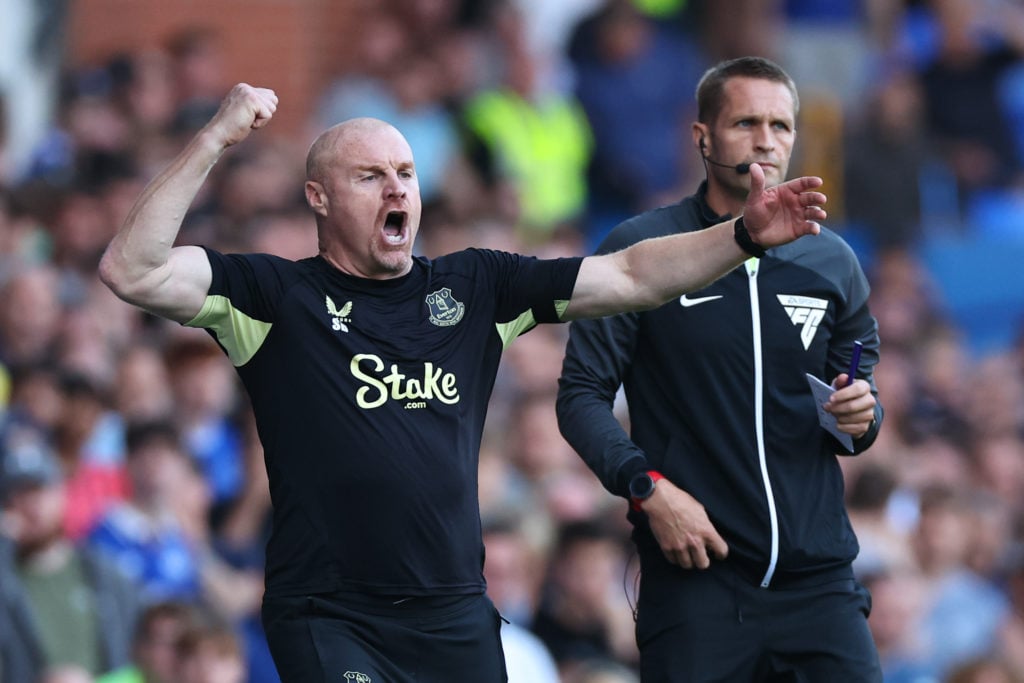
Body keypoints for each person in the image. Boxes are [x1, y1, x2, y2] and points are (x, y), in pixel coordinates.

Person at [97, 81, 826, 682]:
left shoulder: (477, 285)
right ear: (318, 197)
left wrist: (741, 236)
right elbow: (132, 268)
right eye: (370, 175)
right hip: (331, 612)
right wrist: (217, 138)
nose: (398, 189)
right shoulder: (272, 296)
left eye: (408, 174)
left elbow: (632, 274)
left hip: (455, 614)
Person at [556, 56, 884, 682]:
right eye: (746, 122)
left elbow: (859, 404)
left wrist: (862, 414)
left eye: (781, 126)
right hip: (699, 582)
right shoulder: (642, 249)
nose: (766, 139)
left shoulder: (834, 262)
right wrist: (647, 488)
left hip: (819, 585)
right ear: (702, 135)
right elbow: (579, 398)